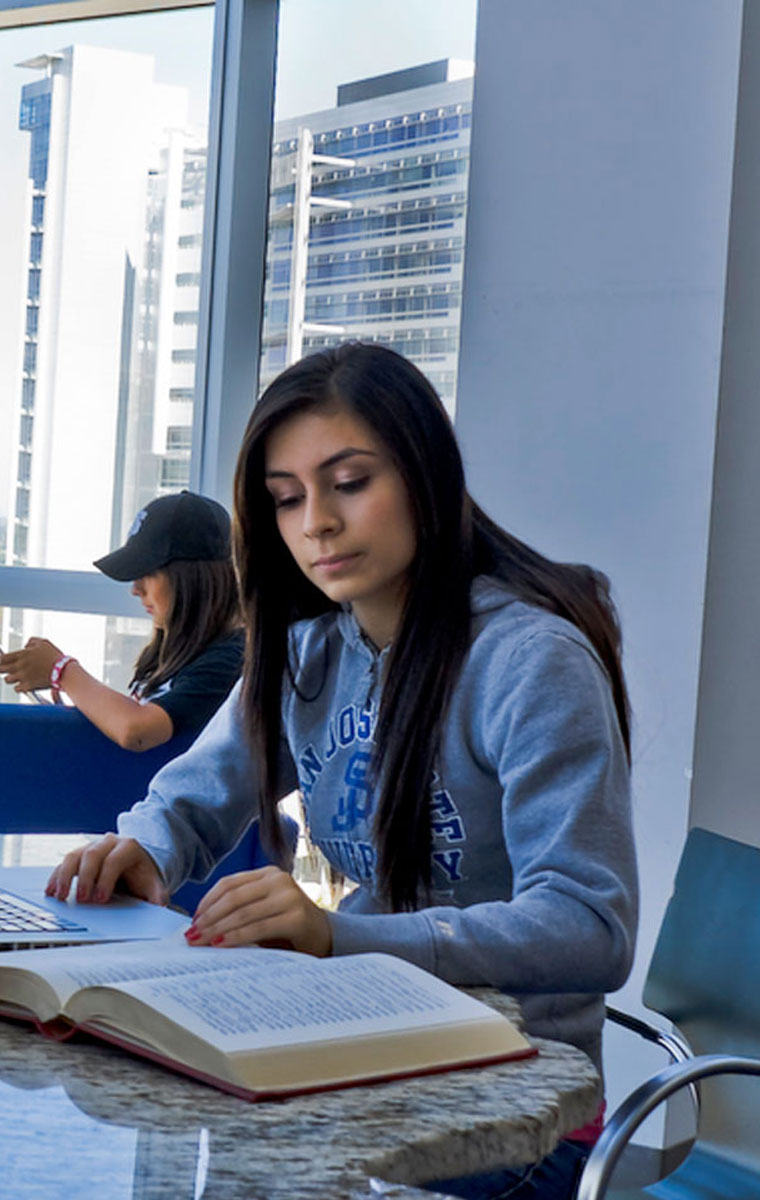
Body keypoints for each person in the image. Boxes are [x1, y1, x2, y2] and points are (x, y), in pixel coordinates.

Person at [46, 343, 636, 1200]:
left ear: (425, 476)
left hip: (507, 1099)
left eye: (349, 482)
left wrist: (340, 936)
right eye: (287, 500)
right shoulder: (307, 648)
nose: (316, 521)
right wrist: (143, 850)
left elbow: (591, 924)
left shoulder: (530, 662)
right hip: (358, 1049)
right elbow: (195, 798)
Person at [0, 490, 244, 753]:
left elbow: (137, 731)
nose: (135, 589)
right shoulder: (174, 653)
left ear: (193, 578)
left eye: (148, 573)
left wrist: (62, 670)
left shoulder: (230, 660)